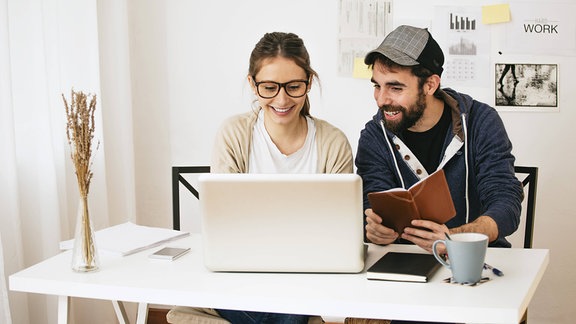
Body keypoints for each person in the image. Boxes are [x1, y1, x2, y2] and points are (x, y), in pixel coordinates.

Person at [211, 31, 353, 323]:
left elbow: (338, 233)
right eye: (269, 87)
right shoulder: (234, 134)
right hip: (245, 275)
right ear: (253, 84)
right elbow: (224, 223)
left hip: (311, 276)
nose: (282, 99)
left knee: (294, 303)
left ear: (309, 83)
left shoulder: (333, 142)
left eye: (293, 86)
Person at [355, 25, 524, 255]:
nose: (381, 99)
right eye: (377, 86)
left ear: (430, 85)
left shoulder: (481, 122)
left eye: (395, 87)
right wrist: (375, 230)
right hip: (405, 264)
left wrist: (456, 239)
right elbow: (371, 205)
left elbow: (505, 203)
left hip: (477, 260)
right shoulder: (374, 136)